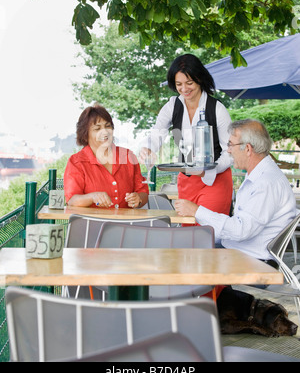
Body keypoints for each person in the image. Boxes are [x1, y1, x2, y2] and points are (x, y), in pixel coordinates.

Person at [174, 119, 298, 263]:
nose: (228, 150)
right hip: (240, 253)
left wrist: (197, 212)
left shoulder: (266, 182)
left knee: (181, 260)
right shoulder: (259, 175)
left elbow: (241, 230)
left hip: (251, 262)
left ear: (247, 149)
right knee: (184, 247)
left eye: (231, 145)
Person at [140, 53, 233, 215]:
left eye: (189, 83)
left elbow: (230, 152)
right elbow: (157, 133)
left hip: (215, 180)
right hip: (187, 181)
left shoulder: (217, 109)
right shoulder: (172, 106)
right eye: (179, 84)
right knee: (187, 232)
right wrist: (148, 148)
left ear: (200, 79)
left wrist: (210, 170)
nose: (184, 89)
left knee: (207, 229)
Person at [64, 104, 149, 209]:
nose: (105, 132)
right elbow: (71, 200)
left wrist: (138, 199)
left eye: (108, 126)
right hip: (91, 224)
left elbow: (143, 192)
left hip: (125, 224)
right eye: (97, 128)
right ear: (85, 134)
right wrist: (92, 197)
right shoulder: (76, 162)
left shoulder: (128, 156)